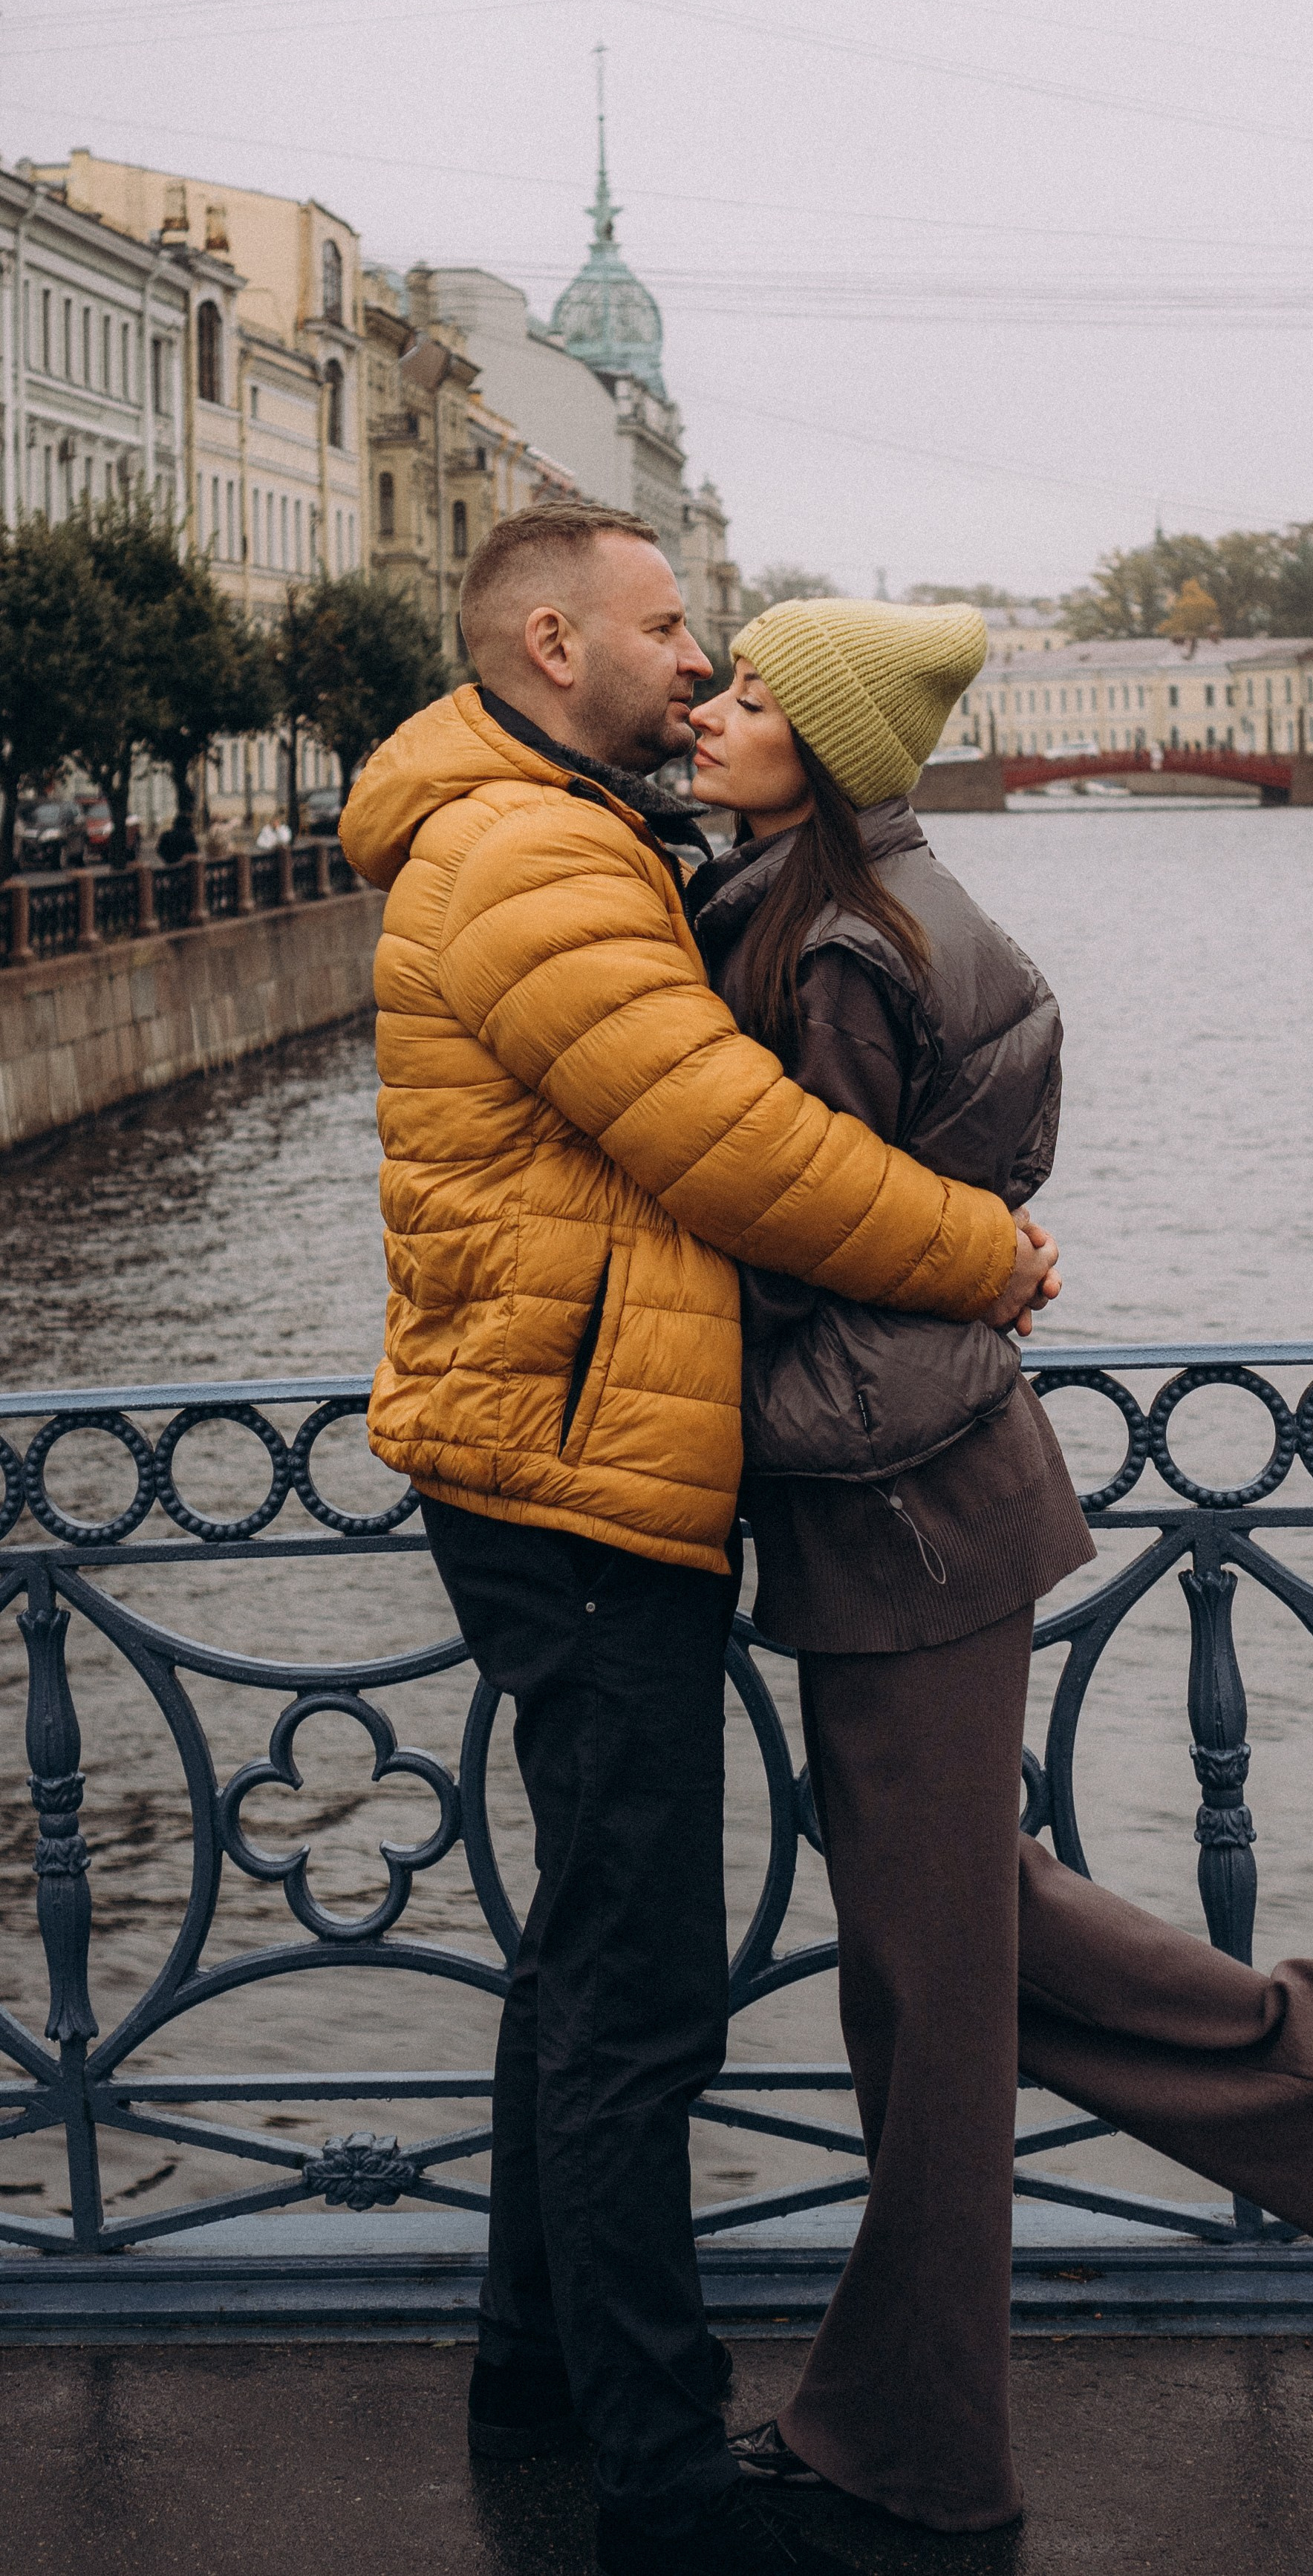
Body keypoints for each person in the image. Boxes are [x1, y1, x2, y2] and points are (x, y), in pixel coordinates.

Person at [685, 598, 1313, 2537]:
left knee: (926, 2006)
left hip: (897, 1496)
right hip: (925, 1481)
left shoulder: (833, 951)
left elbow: (805, 1229)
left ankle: (917, 2455)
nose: (714, 709)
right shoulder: (866, 908)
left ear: (828, 746)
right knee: (961, 1939)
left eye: (752, 692)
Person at [339, 506, 1057, 2576]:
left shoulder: (561, 826)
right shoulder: (535, 855)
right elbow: (734, 1150)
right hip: (574, 1469)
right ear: (555, 645)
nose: (694, 660)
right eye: (668, 629)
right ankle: (659, 2482)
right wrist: (985, 1255)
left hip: (565, 1446)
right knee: (643, 1988)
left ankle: (534, 2372)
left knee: (590, 1948)